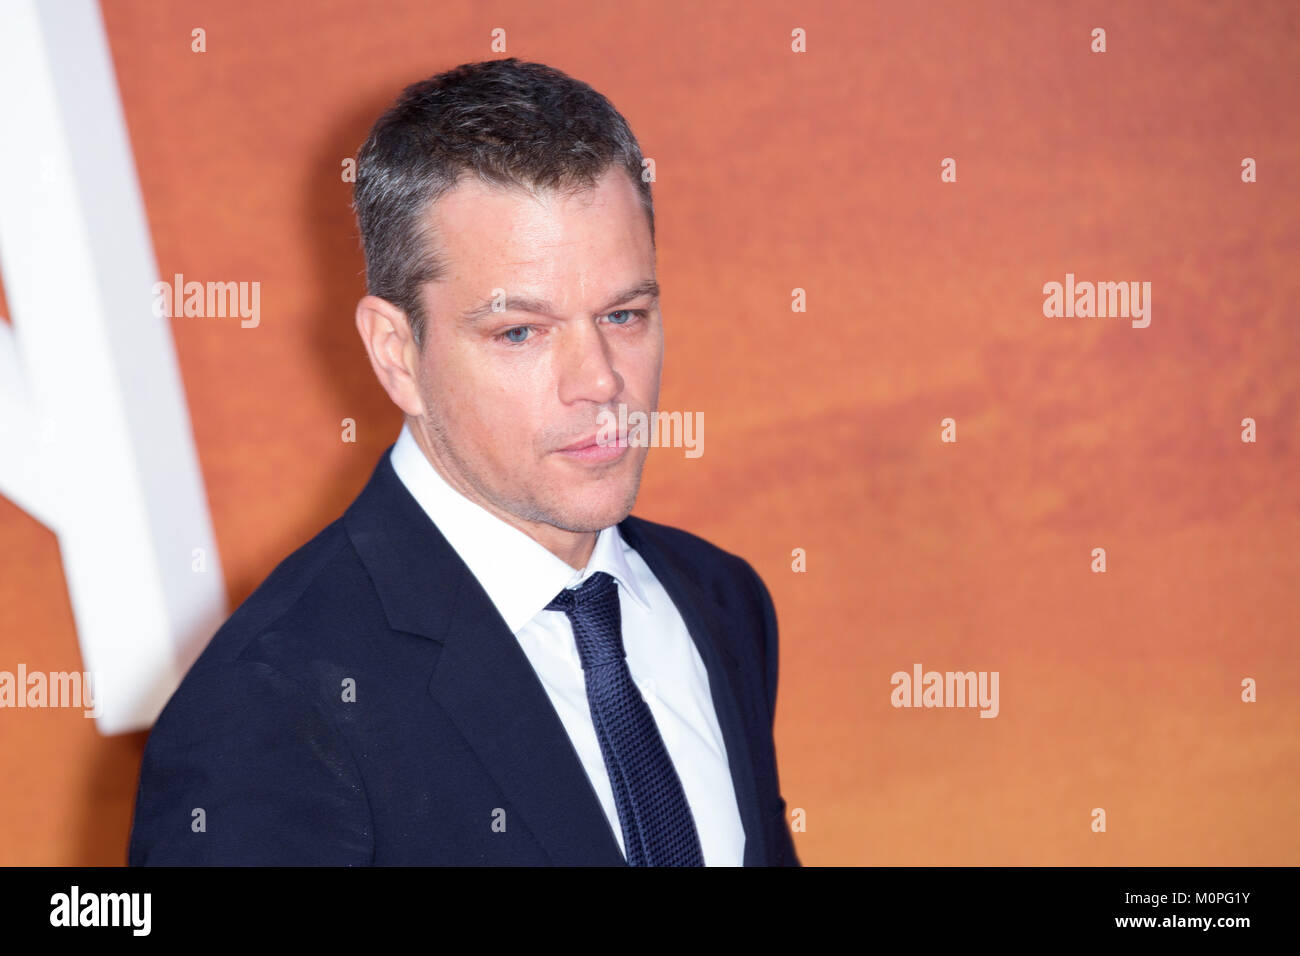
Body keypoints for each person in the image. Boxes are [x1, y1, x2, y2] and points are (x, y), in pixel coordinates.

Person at [128, 57, 799, 866]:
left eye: (623, 315)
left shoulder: (721, 603)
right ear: (396, 353)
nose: (600, 381)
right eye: (520, 332)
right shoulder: (272, 702)